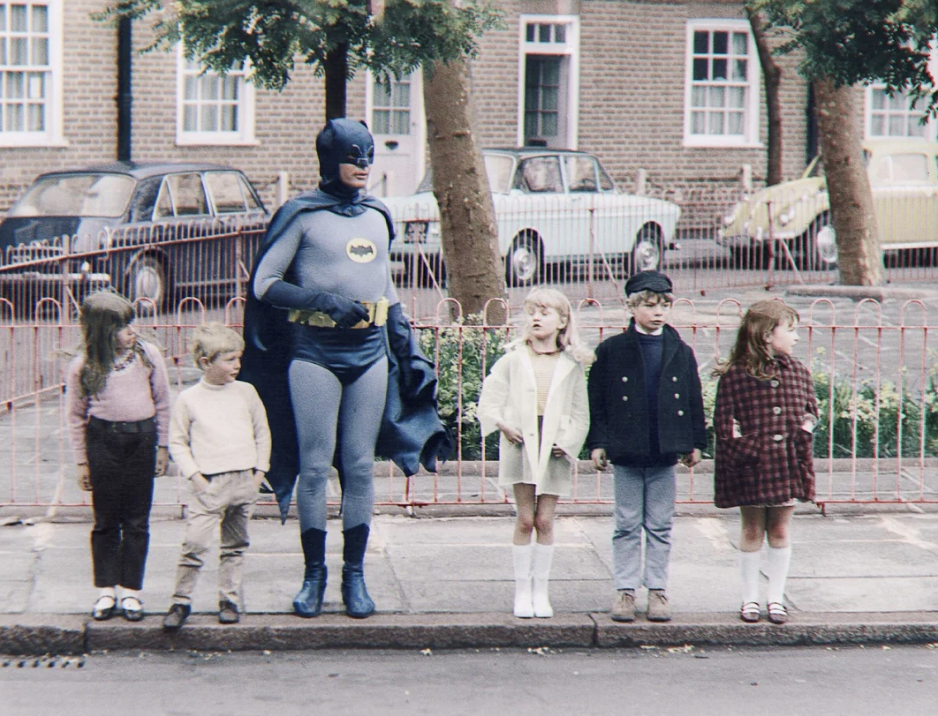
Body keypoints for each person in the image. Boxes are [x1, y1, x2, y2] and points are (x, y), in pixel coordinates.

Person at [239, 118, 450, 620]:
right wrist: (323, 300)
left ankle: (354, 576)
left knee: (358, 466)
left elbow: (386, 288)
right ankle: (314, 577)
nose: (362, 165)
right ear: (330, 160)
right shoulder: (302, 215)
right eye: (353, 156)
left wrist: (407, 345)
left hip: (369, 353)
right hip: (314, 351)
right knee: (315, 466)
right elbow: (264, 283)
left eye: (368, 156)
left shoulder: (378, 214)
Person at [587, 271, 706, 623]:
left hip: (664, 450)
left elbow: (693, 398)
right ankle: (625, 590)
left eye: (664, 306)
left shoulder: (680, 351)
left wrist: (695, 441)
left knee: (659, 524)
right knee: (626, 523)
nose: (658, 313)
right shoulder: (611, 350)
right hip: (627, 449)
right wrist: (599, 443)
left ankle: (657, 590)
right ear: (631, 307)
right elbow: (599, 401)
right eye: (650, 306)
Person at [478, 288, 592, 618]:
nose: (536, 318)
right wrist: (503, 424)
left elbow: (580, 412)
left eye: (545, 312)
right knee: (525, 519)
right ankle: (522, 591)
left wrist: (568, 442)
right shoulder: (514, 357)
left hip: (553, 446)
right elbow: (490, 398)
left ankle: (541, 591)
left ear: (562, 321)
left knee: (545, 520)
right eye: (532, 312)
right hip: (521, 442)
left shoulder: (571, 364)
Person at [64, 291, 170, 622]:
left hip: (141, 441)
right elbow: (75, 417)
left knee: (137, 519)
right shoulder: (83, 366)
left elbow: (164, 402)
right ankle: (106, 590)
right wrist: (82, 461)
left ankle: (131, 592)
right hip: (103, 443)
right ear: (101, 331)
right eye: (123, 327)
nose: (132, 331)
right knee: (106, 519)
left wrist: (163, 447)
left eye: (131, 324)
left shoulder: (147, 356)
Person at [712, 300, 818, 625]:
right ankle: (749, 599)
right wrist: (744, 447)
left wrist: (804, 428)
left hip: (787, 461)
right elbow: (724, 422)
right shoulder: (735, 376)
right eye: (791, 330)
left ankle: (776, 597)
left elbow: (811, 408)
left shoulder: (797, 371)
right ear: (767, 335)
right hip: (752, 465)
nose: (797, 337)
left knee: (781, 528)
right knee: (752, 528)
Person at [162, 323, 271, 631]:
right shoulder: (189, 398)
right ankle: (180, 600)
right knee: (195, 544)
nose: (236, 366)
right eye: (229, 360)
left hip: (243, 480)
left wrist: (258, 473)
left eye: (238, 359)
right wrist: (197, 478)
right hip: (209, 484)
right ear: (206, 362)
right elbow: (177, 441)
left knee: (235, 545)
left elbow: (262, 432)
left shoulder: (246, 392)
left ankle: (229, 599)